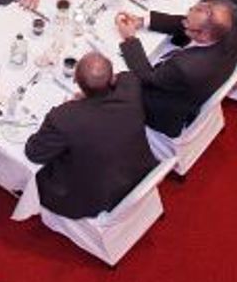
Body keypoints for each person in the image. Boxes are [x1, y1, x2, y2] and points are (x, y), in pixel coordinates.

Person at [23, 53, 158, 221]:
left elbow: (34, 153)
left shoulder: (65, 118)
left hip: (91, 198)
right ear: (112, 78)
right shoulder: (131, 88)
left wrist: (73, 107)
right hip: (136, 173)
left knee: (35, 173)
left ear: (76, 81)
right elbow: (126, 76)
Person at [113, 0, 237, 136]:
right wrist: (143, 21)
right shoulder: (226, 29)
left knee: (112, 77)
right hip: (190, 89)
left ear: (204, 36)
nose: (184, 22)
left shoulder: (184, 67)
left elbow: (147, 78)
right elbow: (187, 22)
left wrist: (129, 38)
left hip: (161, 110)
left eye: (187, 24)